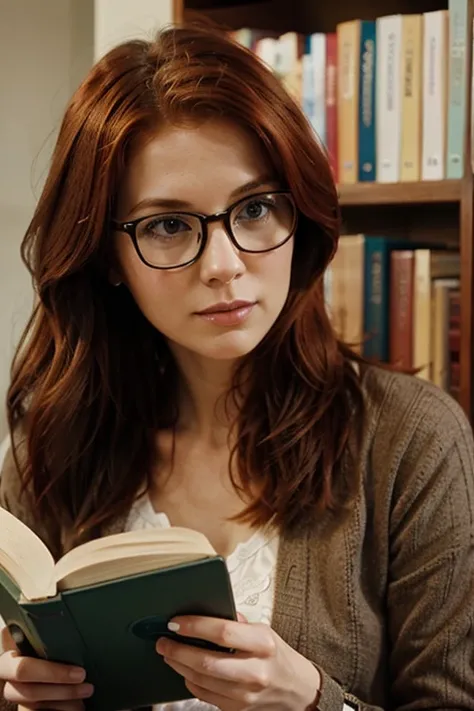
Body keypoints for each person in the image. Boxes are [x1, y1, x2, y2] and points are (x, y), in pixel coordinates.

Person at [0, 23, 473, 711]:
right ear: (107, 256)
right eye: (168, 225)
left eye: (254, 209)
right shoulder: (49, 456)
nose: (225, 266)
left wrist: (313, 700)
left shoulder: (411, 440)